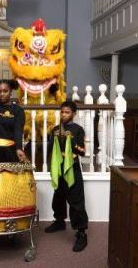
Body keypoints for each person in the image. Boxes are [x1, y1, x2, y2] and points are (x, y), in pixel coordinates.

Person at [44, 100, 88, 252]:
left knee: (76, 201)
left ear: (73, 114)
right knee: (59, 196)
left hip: (72, 167)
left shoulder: (78, 129)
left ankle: (81, 233)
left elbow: (83, 151)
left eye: (67, 112)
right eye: (62, 112)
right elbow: (51, 148)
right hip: (59, 167)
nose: (64, 115)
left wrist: (72, 140)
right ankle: (59, 221)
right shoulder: (56, 129)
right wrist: (52, 138)